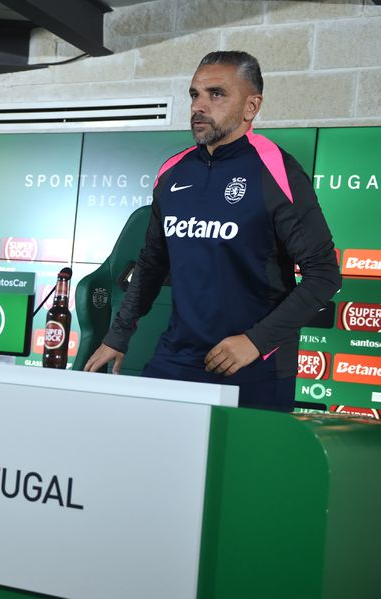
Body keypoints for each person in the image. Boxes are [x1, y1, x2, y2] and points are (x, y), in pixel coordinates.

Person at [83, 51, 341, 412]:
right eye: (194, 95)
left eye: (216, 94)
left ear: (251, 106)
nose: (199, 106)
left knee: (240, 470)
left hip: (253, 367)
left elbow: (324, 274)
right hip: (175, 360)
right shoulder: (173, 171)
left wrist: (255, 341)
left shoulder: (278, 171)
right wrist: (118, 334)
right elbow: (152, 263)